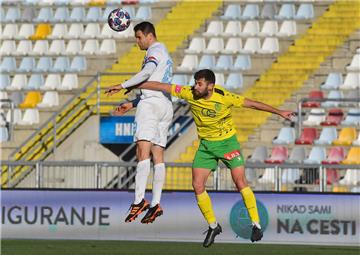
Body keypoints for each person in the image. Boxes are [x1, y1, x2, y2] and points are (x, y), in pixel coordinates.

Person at [112, 69, 295, 247]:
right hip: (206, 146)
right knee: (197, 185)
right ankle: (213, 226)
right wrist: (135, 84)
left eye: (199, 84)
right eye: (195, 82)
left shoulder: (224, 97)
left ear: (211, 86)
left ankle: (256, 224)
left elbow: (254, 104)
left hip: (227, 144)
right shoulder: (189, 93)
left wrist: (280, 112)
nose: (195, 87)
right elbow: (162, 86)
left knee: (240, 182)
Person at [105, 21, 173, 224]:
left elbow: (146, 73)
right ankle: (156, 204)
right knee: (158, 155)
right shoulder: (165, 53)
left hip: (151, 107)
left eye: (138, 37)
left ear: (148, 35)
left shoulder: (154, 50)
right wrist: (133, 103)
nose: (137, 42)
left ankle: (138, 201)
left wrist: (122, 85)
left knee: (142, 152)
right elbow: (156, 83)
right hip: (165, 105)